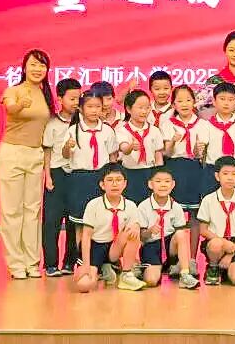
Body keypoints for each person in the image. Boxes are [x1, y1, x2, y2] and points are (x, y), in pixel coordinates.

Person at [0, 49, 53, 280]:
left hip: (35, 154)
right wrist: (20, 105)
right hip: (12, 153)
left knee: (32, 211)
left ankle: (32, 262)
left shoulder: (45, 93)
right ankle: (16, 263)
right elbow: (10, 107)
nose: (38, 69)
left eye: (42, 65)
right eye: (33, 65)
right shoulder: (14, 91)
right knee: (12, 211)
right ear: (24, 67)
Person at [161, 84, 211, 274]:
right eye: (179, 101)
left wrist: (199, 151)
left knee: (195, 217)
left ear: (194, 102)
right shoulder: (168, 123)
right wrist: (173, 141)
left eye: (188, 100)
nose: (184, 104)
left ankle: (191, 259)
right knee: (175, 215)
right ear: (173, 104)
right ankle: (174, 259)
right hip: (175, 169)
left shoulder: (203, 125)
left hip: (195, 170)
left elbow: (202, 156)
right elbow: (167, 153)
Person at [63, 91, 118, 257]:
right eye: (90, 107)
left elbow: (113, 156)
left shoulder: (107, 130)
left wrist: (112, 179)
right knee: (81, 222)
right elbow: (65, 155)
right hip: (80, 179)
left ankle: (104, 259)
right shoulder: (73, 130)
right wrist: (67, 147)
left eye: (98, 107)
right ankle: (82, 258)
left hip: (101, 178)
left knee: (104, 219)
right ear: (81, 108)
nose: (94, 110)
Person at [75, 164, 146, 291]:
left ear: (125, 184)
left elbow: (135, 228)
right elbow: (86, 236)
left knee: (133, 231)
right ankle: (103, 270)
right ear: (102, 185)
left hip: (114, 247)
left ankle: (126, 275)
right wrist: (86, 264)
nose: (115, 184)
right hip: (95, 246)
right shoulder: (93, 205)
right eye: (110, 180)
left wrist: (136, 226)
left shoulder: (130, 205)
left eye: (118, 180)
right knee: (84, 285)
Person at [41, 77, 80, 277]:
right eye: (72, 98)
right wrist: (47, 176)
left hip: (76, 175)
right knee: (52, 222)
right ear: (60, 99)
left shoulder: (82, 123)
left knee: (74, 222)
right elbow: (47, 152)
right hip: (56, 174)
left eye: (78, 98)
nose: (76, 102)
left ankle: (70, 263)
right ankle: (50, 264)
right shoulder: (52, 123)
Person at [136, 168, 200, 289]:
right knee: (151, 281)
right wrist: (150, 231)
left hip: (170, 247)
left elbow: (181, 237)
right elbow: (141, 237)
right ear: (150, 184)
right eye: (158, 181)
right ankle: (147, 269)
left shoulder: (176, 207)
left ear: (173, 184)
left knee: (181, 234)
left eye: (167, 181)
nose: (163, 185)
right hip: (152, 246)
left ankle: (184, 274)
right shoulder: (143, 206)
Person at [197, 156, 235, 286]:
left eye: (234, 174)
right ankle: (213, 267)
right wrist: (223, 242)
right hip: (215, 240)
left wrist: (231, 253)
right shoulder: (208, 200)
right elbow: (203, 230)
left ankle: (231, 268)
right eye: (225, 174)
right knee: (216, 244)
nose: (230, 178)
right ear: (217, 176)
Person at [201, 82, 235, 200]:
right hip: (213, 171)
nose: (226, 103)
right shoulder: (207, 125)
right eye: (222, 99)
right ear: (214, 101)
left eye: (230, 99)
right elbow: (202, 155)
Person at [115, 90, 165, 204]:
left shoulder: (154, 130)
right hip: (130, 173)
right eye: (140, 108)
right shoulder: (122, 131)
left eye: (147, 107)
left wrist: (160, 176)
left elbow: (158, 155)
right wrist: (131, 147)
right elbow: (124, 149)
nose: (144, 111)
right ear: (128, 109)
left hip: (150, 173)